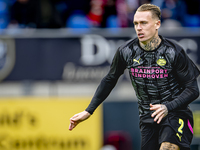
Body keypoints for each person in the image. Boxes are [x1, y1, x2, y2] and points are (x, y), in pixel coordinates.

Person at [69, 3, 200, 150]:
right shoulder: (126, 51)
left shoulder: (174, 51)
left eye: (144, 23)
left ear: (157, 24)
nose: (139, 27)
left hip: (176, 114)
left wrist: (167, 107)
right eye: (136, 23)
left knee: (167, 147)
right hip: (147, 119)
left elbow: (193, 90)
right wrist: (88, 111)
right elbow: (109, 79)